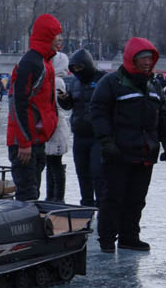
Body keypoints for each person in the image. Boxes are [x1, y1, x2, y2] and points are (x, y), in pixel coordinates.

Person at [90, 37, 166, 253]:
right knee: (113, 197)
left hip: (145, 152)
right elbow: (98, 112)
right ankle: (107, 239)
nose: (147, 63)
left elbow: (162, 115)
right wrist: (106, 141)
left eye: (150, 58)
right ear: (131, 59)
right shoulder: (111, 83)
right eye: (143, 58)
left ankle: (129, 236)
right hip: (119, 152)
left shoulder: (154, 84)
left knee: (137, 199)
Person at [6, 13, 63, 201]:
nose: (60, 39)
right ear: (47, 36)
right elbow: (18, 104)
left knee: (33, 192)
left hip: (36, 140)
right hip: (25, 142)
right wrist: (24, 142)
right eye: (56, 35)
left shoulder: (44, 62)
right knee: (27, 194)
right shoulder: (31, 63)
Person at [58, 48, 106, 207]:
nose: (78, 72)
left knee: (98, 173)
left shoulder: (103, 79)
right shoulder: (74, 82)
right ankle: (86, 204)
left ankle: (101, 206)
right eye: (75, 69)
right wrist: (64, 99)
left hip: (98, 136)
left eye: (80, 68)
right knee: (82, 173)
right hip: (79, 134)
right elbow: (69, 105)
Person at [45, 52, 71, 202]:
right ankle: (55, 197)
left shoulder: (56, 81)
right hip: (56, 126)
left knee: (53, 164)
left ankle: (55, 197)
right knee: (54, 163)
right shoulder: (58, 81)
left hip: (54, 127)